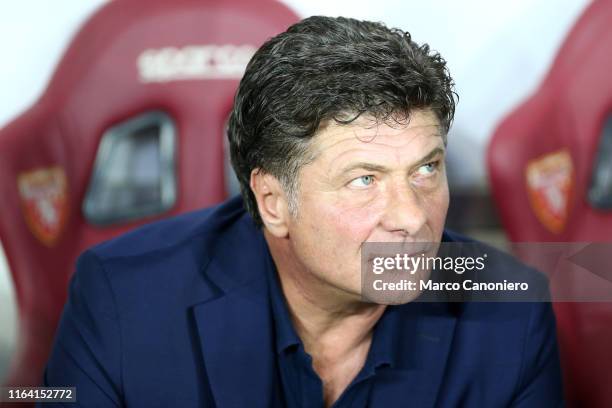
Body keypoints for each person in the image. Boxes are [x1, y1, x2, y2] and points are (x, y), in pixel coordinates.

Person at [41, 16, 563, 407]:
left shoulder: (510, 312)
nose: (411, 217)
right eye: (365, 180)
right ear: (273, 203)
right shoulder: (124, 299)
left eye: (426, 169)